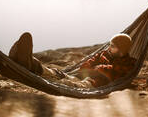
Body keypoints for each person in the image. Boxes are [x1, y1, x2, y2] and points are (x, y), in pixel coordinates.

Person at [8, 32, 136, 88]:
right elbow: (88, 64)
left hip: (92, 84)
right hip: (81, 76)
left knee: (65, 83)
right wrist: (91, 68)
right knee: (55, 73)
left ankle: (28, 65)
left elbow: (115, 71)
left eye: (112, 46)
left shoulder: (129, 63)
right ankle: (30, 62)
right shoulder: (104, 54)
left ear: (121, 50)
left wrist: (97, 69)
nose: (109, 48)